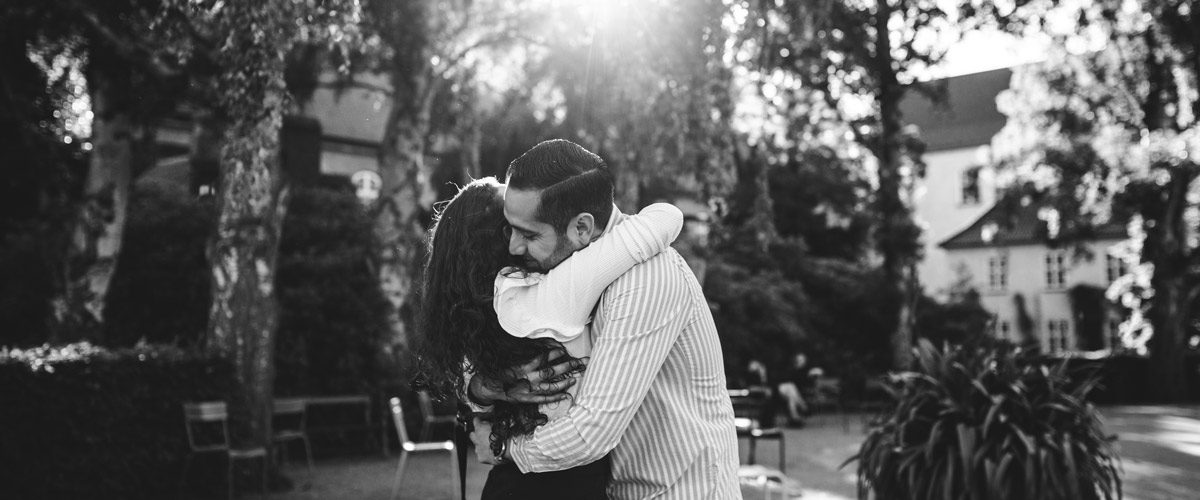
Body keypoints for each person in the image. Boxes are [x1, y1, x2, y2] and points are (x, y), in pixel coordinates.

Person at [467, 139, 742, 500]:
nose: (514, 247)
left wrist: (503, 447)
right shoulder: (576, 270)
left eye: (530, 234)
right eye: (511, 229)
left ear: (582, 227)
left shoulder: (646, 280)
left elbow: (591, 431)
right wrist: (486, 386)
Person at [415, 175, 685, 500]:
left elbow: (468, 383)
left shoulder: (487, 309)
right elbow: (657, 224)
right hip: (565, 481)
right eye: (516, 222)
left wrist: (482, 392)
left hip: (513, 482)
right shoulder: (553, 292)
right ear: (501, 238)